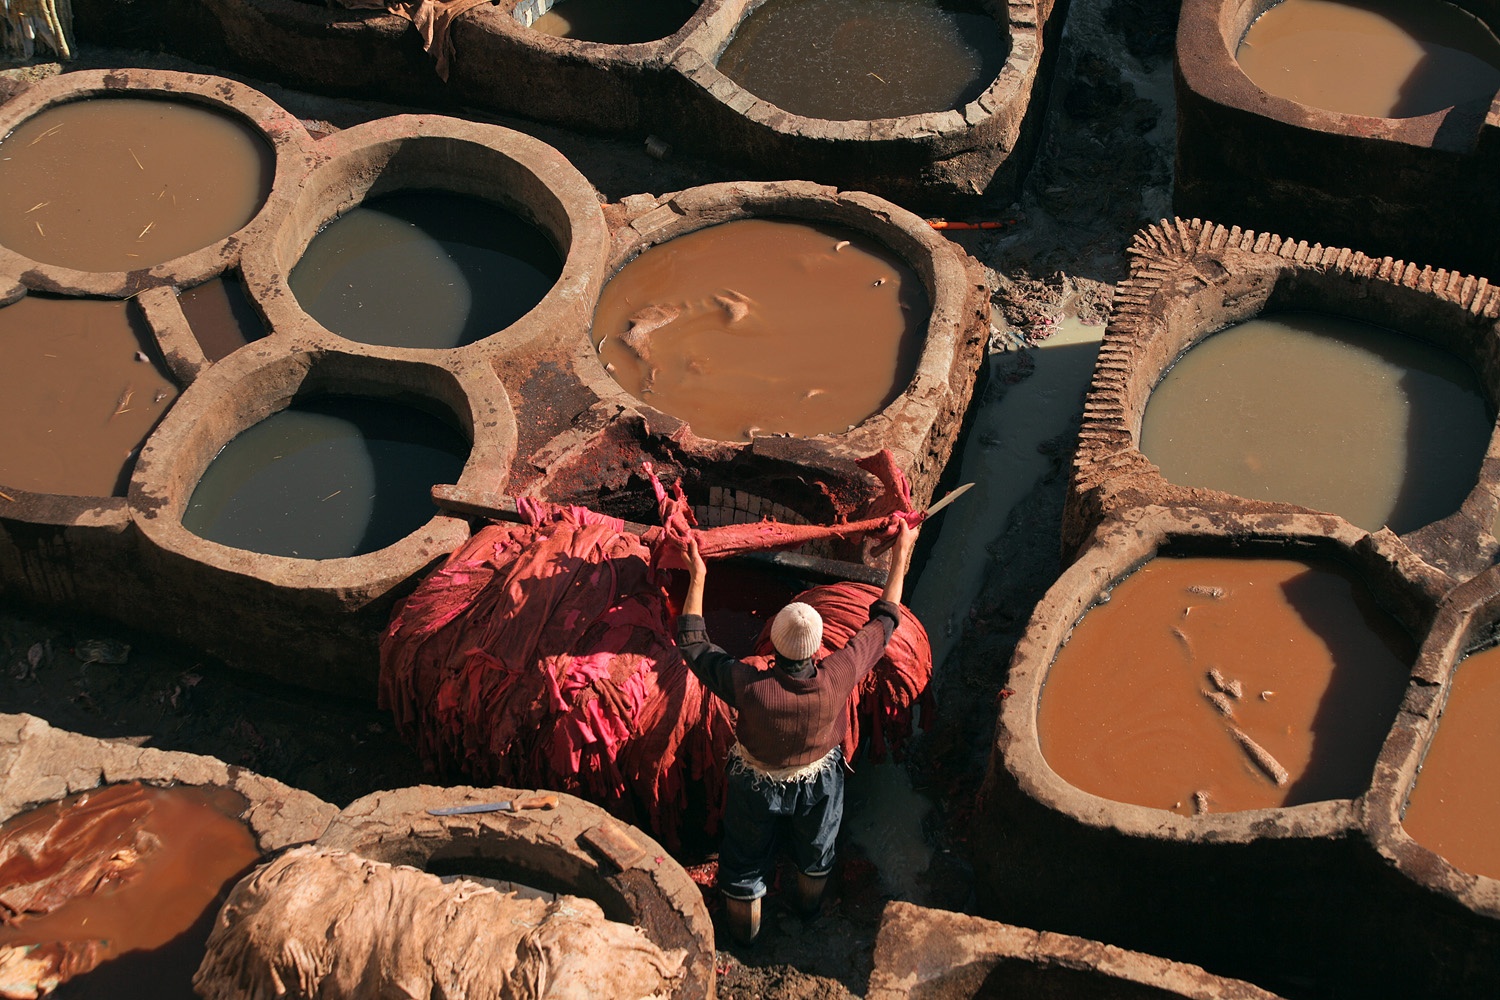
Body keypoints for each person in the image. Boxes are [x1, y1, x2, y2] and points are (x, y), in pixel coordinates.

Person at [674, 521, 920, 945]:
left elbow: (694, 644)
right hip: (819, 782)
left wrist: (698, 576)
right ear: (817, 646)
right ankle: (807, 912)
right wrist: (901, 554)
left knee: (746, 858)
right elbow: (885, 621)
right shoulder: (839, 675)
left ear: (772, 641)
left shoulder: (749, 686)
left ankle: (744, 935)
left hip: (756, 784)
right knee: (817, 848)